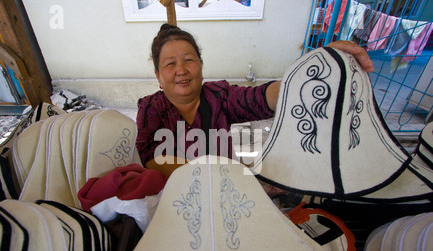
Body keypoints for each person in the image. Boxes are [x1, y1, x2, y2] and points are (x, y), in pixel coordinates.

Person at [135, 23, 374, 178]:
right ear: (158, 75)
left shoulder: (220, 96)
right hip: (175, 204)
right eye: (169, 64)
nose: (181, 70)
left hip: (228, 195)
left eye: (189, 60)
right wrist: (211, 174)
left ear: (200, 66)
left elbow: (261, 97)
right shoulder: (151, 108)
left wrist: (316, 68)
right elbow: (150, 158)